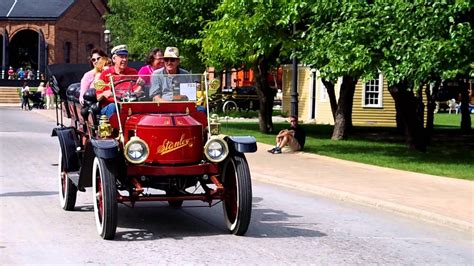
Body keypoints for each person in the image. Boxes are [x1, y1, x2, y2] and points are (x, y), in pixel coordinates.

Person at [97, 44, 141, 118]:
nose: (124, 59)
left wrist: (140, 86)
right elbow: (98, 96)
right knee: (113, 106)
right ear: (114, 59)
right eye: (121, 57)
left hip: (128, 105)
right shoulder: (105, 74)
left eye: (126, 57)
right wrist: (104, 93)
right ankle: (114, 129)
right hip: (110, 107)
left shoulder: (133, 72)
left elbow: (137, 92)